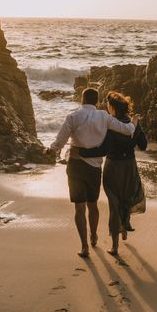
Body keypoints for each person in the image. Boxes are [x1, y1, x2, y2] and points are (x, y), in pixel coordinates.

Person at [48, 88, 136, 258]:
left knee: (79, 208)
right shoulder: (104, 116)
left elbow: (60, 141)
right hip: (94, 168)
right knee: (92, 205)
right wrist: (133, 123)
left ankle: (84, 247)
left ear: (82, 100)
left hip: (75, 165)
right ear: (96, 102)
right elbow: (126, 129)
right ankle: (94, 235)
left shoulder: (73, 116)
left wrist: (50, 149)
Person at [78, 91, 147, 256]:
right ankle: (124, 226)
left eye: (108, 106)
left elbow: (102, 149)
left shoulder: (110, 125)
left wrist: (83, 152)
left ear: (113, 107)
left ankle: (115, 246)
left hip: (113, 168)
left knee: (114, 205)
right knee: (127, 198)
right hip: (129, 167)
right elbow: (143, 145)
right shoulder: (133, 124)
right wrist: (136, 130)